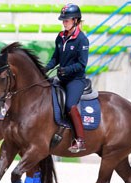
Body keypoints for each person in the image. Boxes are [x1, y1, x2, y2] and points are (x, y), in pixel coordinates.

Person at [45, 3, 89, 153]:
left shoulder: (82, 40)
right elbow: (55, 58)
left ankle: (80, 140)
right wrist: (45, 68)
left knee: (70, 105)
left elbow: (82, 64)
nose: (64, 23)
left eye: (67, 20)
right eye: (63, 20)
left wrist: (67, 70)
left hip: (75, 80)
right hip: (62, 78)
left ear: (75, 20)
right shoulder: (60, 36)